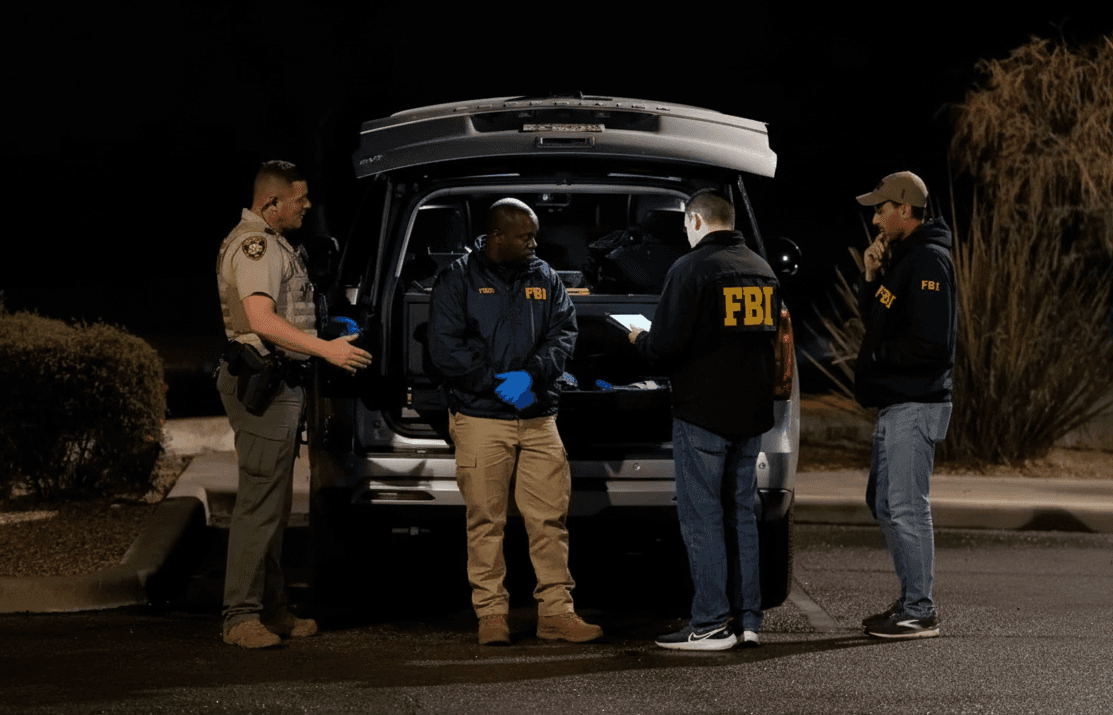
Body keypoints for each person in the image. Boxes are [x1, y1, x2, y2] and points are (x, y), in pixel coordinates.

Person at [427, 198, 602, 646]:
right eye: (525, 236)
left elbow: (563, 334)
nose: (534, 244)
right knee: (486, 522)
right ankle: (491, 615)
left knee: (549, 521)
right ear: (498, 236)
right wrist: (499, 385)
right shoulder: (458, 278)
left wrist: (531, 376)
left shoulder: (545, 277)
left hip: (538, 417)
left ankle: (557, 614)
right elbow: (445, 349)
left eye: (535, 236)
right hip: (481, 418)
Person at [215, 160, 374, 648]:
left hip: (279, 384)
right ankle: (240, 618)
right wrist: (327, 350)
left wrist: (324, 331)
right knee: (259, 505)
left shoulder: (275, 242)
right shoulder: (257, 245)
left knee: (274, 506)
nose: (307, 206)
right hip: (265, 384)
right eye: (299, 199)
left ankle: (271, 609)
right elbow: (260, 319)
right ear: (271, 203)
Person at [628, 189, 778, 650]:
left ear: (695, 221)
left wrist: (637, 340)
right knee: (742, 516)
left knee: (703, 518)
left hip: (703, 415)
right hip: (751, 416)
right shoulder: (762, 269)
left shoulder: (690, 269)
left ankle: (711, 623)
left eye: (686, 226)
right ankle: (748, 621)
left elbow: (664, 347)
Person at [854, 171, 957, 639]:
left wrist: (879, 360)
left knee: (907, 506)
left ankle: (919, 609)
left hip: (916, 403)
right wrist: (871, 275)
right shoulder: (905, 259)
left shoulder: (929, 261)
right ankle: (911, 599)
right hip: (897, 402)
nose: (876, 219)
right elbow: (876, 320)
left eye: (881, 210)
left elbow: (933, 345)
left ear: (904, 210)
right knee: (883, 502)